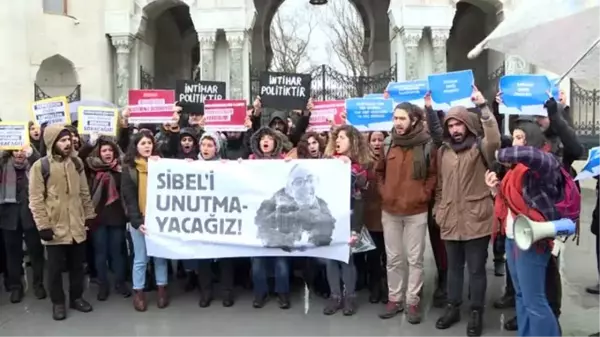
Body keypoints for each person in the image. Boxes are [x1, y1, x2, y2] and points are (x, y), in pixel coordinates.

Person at [487, 119, 579, 337]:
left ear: (533, 139)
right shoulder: (516, 170)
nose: (516, 142)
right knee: (521, 296)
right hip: (513, 236)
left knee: (534, 300)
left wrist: (500, 154)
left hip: (533, 241)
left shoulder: (546, 163)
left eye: (520, 137)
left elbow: (530, 155)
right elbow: (512, 200)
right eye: (514, 137)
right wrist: (495, 189)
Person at [434, 87, 501, 337]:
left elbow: (493, 137)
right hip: (450, 219)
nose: (455, 130)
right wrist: (438, 212)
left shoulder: (481, 147)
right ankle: (453, 307)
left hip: (477, 219)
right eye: (451, 125)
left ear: (468, 126)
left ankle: (476, 312)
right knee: (453, 269)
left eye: (459, 125)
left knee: (475, 270)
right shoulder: (443, 152)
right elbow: (440, 186)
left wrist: (484, 107)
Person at [376, 103, 437, 324]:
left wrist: (423, 194)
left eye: (402, 118)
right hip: (390, 210)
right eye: (395, 118)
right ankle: (395, 298)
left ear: (413, 120)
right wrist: (384, 192)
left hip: (416, 211)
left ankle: (412, 301)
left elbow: (432, 174)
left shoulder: (427, 144)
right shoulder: (388, 143)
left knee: (415, 259)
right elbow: (379, 171)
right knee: (393, 258)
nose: (398, 123)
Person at [28, 124, 96, 321]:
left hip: (77, 225)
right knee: (55, 269)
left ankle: (77, 297)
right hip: (55, 228)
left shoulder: (76, 163)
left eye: (68, 140)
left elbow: (84, 192)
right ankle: (58, 302)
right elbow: (36, 199)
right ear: (52, 142)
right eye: (62, 140)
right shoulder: (40, 166)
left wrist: (89, 215)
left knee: (77, 266)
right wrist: (43, 226)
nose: (68, 143)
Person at [320, 125, 370, 316]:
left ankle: (349, 296)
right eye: (337, 137)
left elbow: (360, 196)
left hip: (348, 219)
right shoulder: (327, 163)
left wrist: (356, 228)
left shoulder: (359, 167)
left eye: (343, 137)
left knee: (347, 259)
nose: (338, 141)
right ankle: (335, 296)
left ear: (353, 141)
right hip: (328, 218)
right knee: (330, 260)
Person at [121, 130, 169, 312]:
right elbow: (129, 197)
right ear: (136, 147)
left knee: (160, 257)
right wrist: (136, 221)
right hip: (140, 220)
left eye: (149, 143)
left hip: (160, 219)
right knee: (140, 259)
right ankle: (139, 293)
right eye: (143, 143)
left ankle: (162, 289)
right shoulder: (129, 169)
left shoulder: (161, 164)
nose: (147, 146)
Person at [78, 133, 131, 301]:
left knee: (117, 252)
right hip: (97, 217)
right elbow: (80, 156)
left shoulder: (122, 168)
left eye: (110, 150)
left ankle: (120, 282)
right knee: (100, 252)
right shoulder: (91, 168)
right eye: (103, 150)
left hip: (118, 217)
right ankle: (103, 284)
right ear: (98, 153)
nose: (107, 153)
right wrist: (90, 143)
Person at [247, 126, 291, 309]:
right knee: (257, 259)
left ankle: (282, 293)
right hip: (258, 217)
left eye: (269, 138)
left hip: (279, 216)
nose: (265, 141)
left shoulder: (284, 161)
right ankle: (260, 292)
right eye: (262, 138)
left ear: (275, 142)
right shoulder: (250, 161)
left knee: (280, 259)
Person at [0, 145, 46, 303]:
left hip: (31, 216)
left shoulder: (34, 165)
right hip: (9, 217)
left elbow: (41, 162)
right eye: (16, 150)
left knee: (36, 253)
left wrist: (32, 152)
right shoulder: (4, 164)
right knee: (12, 255)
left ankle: (38, 284)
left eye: (22, 150)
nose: (19, 153)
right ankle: (16, 287)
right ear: (10, 152)